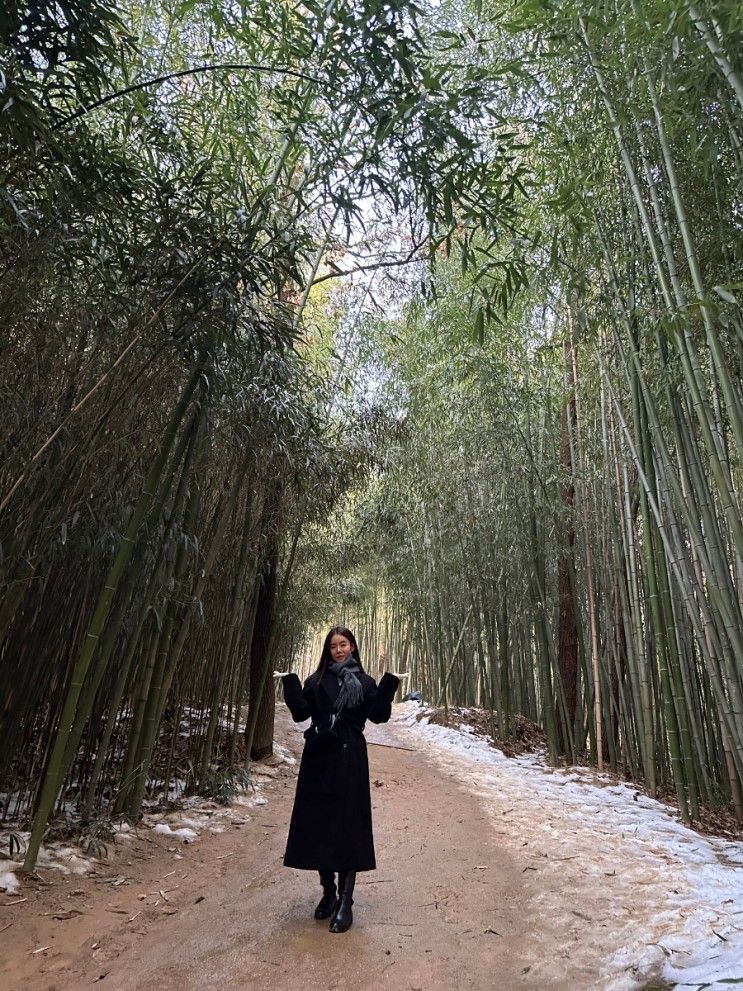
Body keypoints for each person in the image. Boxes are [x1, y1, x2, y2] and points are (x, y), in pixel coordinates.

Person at [274, 626, 406, 933]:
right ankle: (328, 891)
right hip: (320, 756)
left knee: (348, 827)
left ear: (352, 646)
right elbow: (300, 714)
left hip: (350, 758)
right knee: (321, 824)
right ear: (327, 649)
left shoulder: (363, 681)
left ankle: (347, 901)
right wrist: (290, 683)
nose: (338, 649)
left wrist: (388, 684)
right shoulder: (316, 680)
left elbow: (378, 716)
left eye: (343, 644)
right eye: (333, 645)